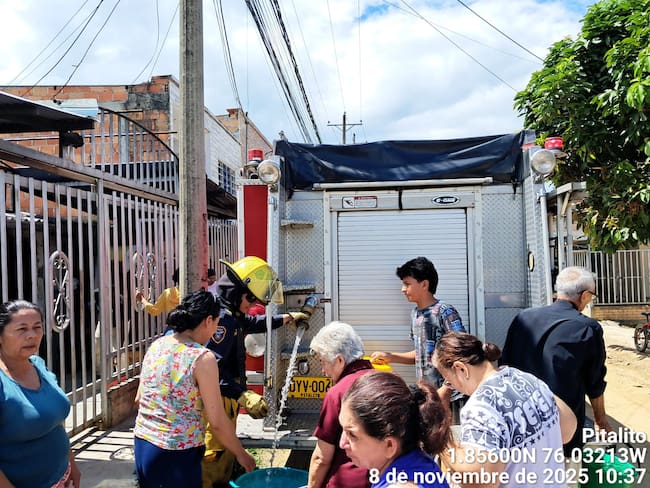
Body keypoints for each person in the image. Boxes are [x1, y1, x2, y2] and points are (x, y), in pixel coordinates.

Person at [203, 256, 309, 487]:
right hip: (215, 403)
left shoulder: (231, 313)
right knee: (213, 459)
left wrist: (287, 318)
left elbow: (252, 322)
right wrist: (243, 394)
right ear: (238, 293)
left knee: (224, 459)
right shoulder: (222, 320)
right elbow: (210, 372)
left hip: (225, 400)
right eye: (250, 300)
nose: (251, 306)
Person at [134, 290, 256, 488]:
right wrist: (241, 454)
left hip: (144, 445)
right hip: (178, 453)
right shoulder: (202, 358)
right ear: (208, 321)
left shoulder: (157, 345)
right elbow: (216, 421)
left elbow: (139, 399)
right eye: (217, 323)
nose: (215, 330)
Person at [434, 332, 577, 488]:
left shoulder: (481, 407)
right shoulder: (525, 378)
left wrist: (441, 440)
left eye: (449, 380)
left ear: (461, 369)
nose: (452, 386)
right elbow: (568, 429)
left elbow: (483, 481)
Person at [500, 266, 612, 455]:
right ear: (584, 295)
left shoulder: (522, 318)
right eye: (591, 296)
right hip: (562, 429)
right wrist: (600, 421)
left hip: (518, 424)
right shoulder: (587, 328)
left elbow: (505, 366)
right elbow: (594, 382)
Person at [0, 299, 81, 488]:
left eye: (37, 327)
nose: (32, 335)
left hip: (61, 477)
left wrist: (71, 462)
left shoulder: (38, 364)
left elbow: (56, 421)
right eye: (22, 329)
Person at [370, 257, 465, 410]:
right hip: (428, 396)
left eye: (407, 284)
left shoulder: (445, 311)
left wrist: (447, 389)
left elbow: (463, 352)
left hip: (451, 397)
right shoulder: (415, 314)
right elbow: (422, 353)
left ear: (424, 284)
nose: (403, 289)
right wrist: (391, 357)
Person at [339, 371, 451, 488]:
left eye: (352, 434)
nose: (342, 443)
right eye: (342, 428)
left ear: (389, 445)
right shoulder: (417, 462)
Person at [308, 321, 375, 488]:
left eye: (323, 362)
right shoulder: (389, 381)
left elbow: (321, 458)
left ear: (339, 360)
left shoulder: (337, 393)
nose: (323, 370)